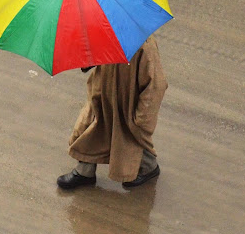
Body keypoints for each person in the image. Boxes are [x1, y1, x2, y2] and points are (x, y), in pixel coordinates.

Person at [57, 36, 168, 189]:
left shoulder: (144, 45)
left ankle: (149, 168)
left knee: (129, 137)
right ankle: (85, 172)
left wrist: (142, 118)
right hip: (102, 93)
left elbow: (156, 85)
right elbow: (93, 57)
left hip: (127, 102)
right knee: (87, 129)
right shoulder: (104, 33)